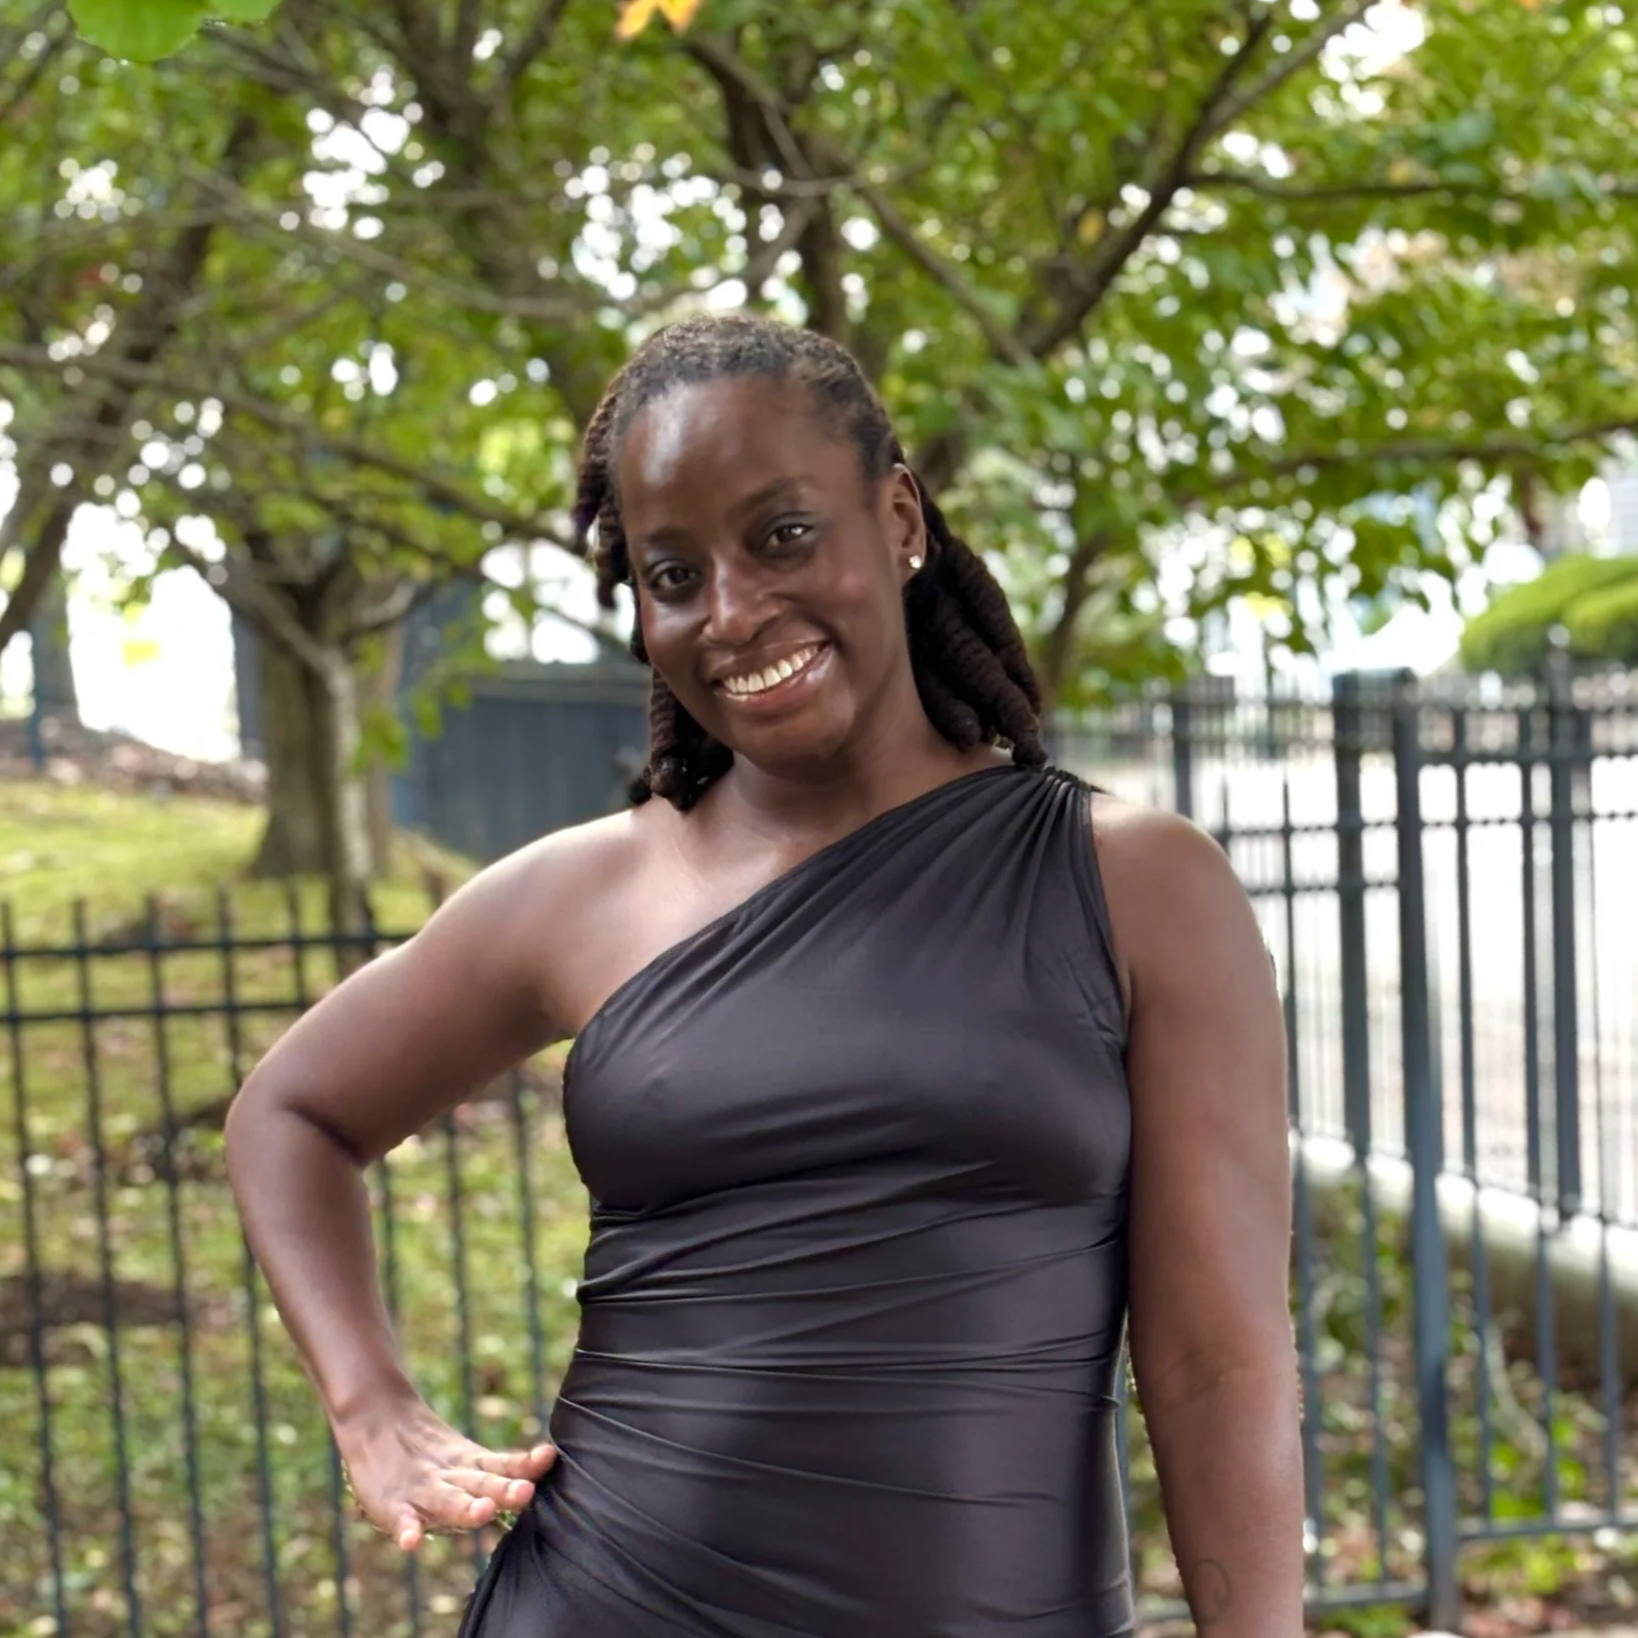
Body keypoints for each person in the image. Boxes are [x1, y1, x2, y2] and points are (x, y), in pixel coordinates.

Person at [224, 314, 1302, 1638]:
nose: (731, 610)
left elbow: (1213, 1359)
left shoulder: (1134, 885)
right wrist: (370, 1405)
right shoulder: (586, 894)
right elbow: (290, 1113)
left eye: (782, 535)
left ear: (898, 519)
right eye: (673, 571)